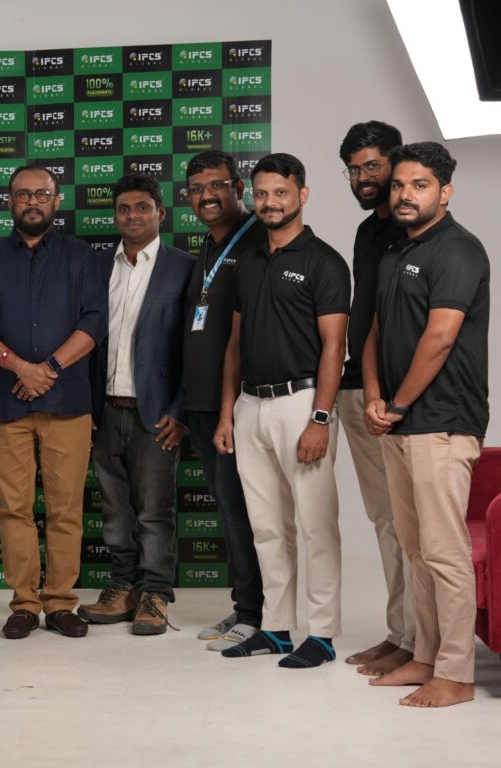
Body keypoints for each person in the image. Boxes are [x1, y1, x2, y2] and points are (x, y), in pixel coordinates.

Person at [363, 142, 489, 708]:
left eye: (419, 185)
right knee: (415, 549)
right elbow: (374, 330)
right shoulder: (395, 252)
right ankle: (426, 656)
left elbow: (440, 337)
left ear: (445, 192)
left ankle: (456, 675)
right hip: (399, 421)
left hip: (442, 421)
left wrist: (395, 405)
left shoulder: (458, 249)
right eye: (398, 185)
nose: (405, 195)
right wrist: (373, 395)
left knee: (444, 551)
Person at [214, 153, 350, 668]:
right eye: (262, 193)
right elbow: (234, 343)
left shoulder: (325, 261)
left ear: (302, 195)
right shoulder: (248, 262)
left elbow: (334, 346)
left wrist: (321, 418)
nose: (269, 203)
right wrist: (227, 413)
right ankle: (275, 629)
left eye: (280, 193)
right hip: (250, 404)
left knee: (316, 525)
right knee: (267, 526)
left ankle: (323, 634)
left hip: (302, 403)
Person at [0, 165, 106, 640]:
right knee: (14, 509)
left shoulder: (81, 256)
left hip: (68, 401)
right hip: (8, 402)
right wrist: (21, 369)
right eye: (23, 194)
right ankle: (25, 603)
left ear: (56, 201)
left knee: (66, 509)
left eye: (41, 194)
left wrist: (47, 368)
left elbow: (93, 322)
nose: (32, 201)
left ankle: (61, 602)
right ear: (9, 201)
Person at [79, 173, 193, 635]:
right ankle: (122, 586)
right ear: (115, 216)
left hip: (157, 413)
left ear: (160, 213)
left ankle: (155, 594)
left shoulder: (183, 268)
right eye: (124, 209)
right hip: (105, 409)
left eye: (142, 207)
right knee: (115, 510)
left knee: (154, 511)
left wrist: (181, 410)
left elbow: (196, 347)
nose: (132, 216)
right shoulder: (95, 267)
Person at [179, 151, 266, 650]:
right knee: (231, 511)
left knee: (243, 512)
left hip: (235, 408)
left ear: (237, 187)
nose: (206, 196)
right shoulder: (208, 247)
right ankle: (245, 605)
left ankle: (257, 613)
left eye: (216, 185)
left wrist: (229, 410)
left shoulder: (258, 241)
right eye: (196, 189)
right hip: (202, 404)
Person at [336, 122, 414, 675]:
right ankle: (401, 632)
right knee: (385, 519)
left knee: (411, 523)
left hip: (401, 397)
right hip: (357, 389)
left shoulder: (417, 229)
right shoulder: (368, 232)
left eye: (372, 166)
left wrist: (390, 394)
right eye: (353, 169)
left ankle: (421, 639)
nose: (363, 178)